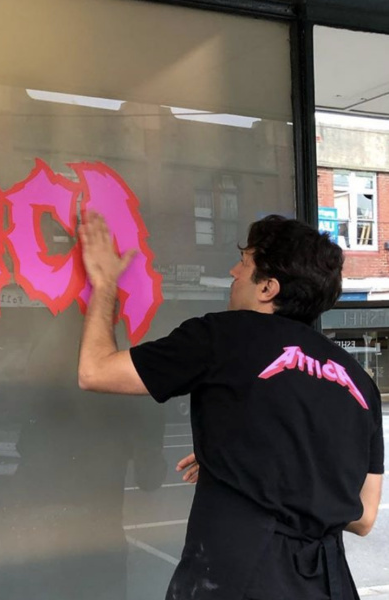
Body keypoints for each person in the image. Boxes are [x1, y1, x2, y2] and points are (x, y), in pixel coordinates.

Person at [77, 212, 384, 600]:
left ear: (268, 288)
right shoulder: (359, 381)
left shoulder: (224, 336)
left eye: (244, 262)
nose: (233, 271)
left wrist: (105, 284)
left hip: (239, 580)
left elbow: (95, 371)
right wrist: (247, 462)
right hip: (329, 584)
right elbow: (363, 516)